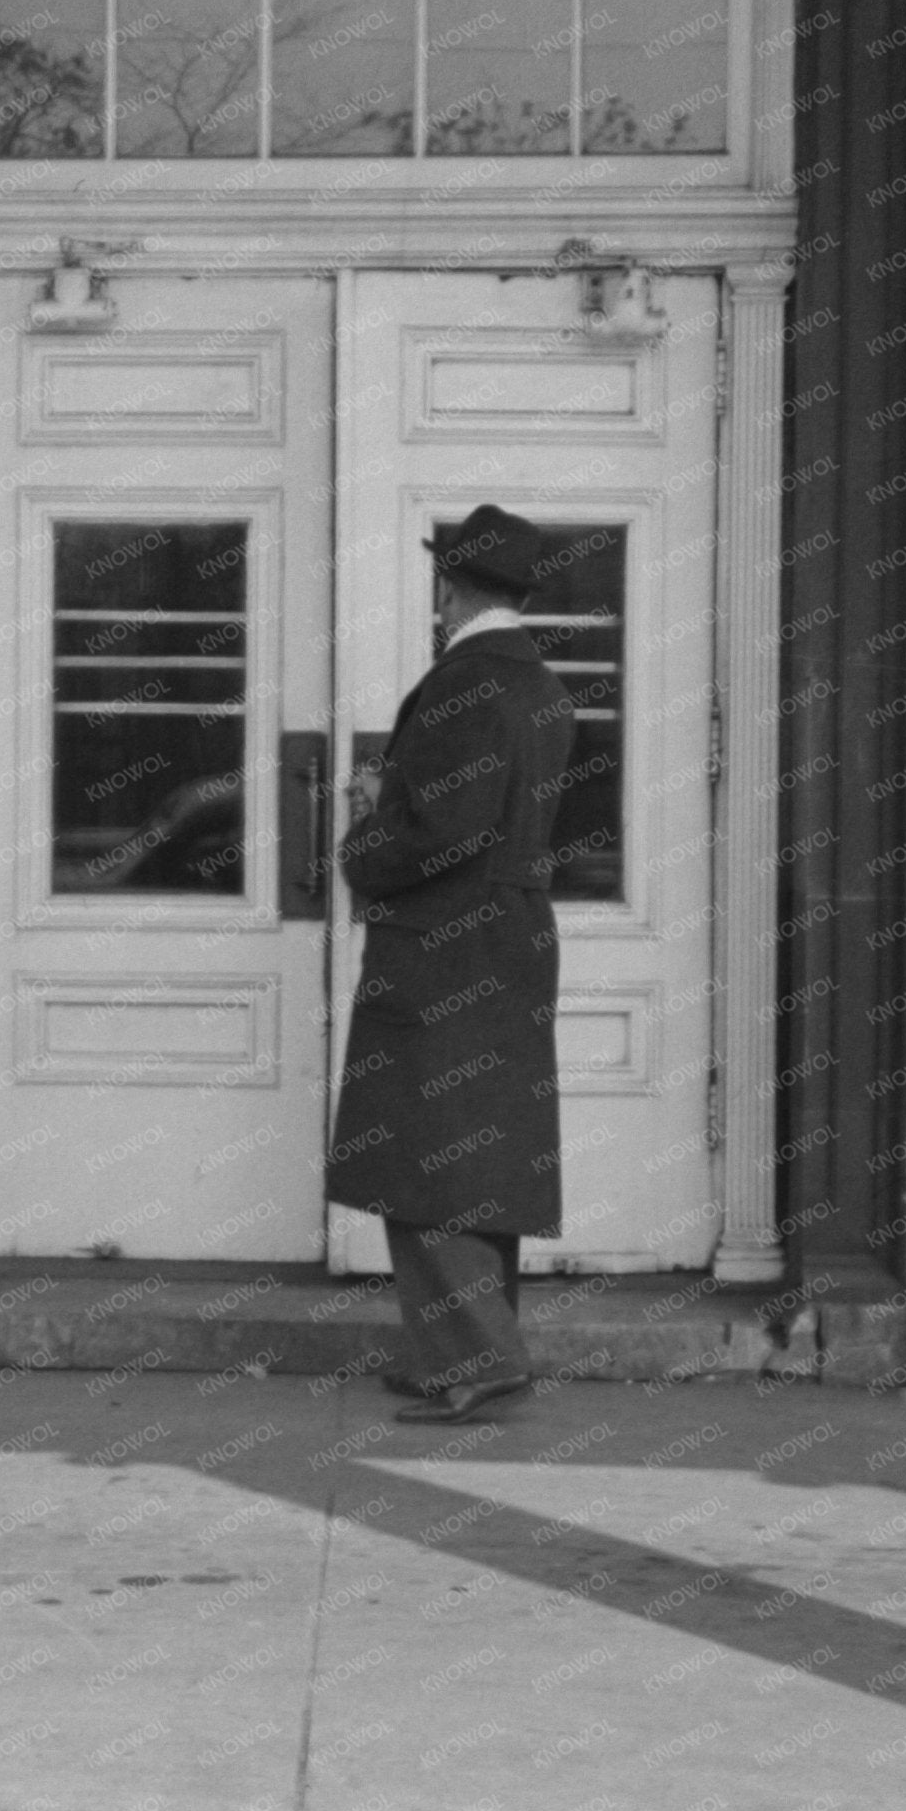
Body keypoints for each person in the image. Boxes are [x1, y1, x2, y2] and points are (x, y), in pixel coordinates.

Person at [325, 503, 576, 1425]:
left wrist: (360, 844)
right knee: (478, 1151)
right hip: (508, 935)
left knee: (427, 1152)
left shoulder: (468, 681)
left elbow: (443, 828)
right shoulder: (539, 684)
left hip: (443, 943)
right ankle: (457, 1353)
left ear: (448, 585)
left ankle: (474, 1357)